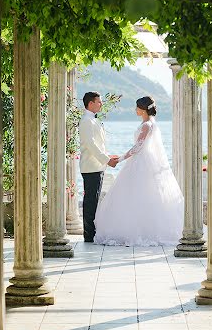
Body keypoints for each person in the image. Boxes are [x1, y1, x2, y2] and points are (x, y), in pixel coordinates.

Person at [94, 96, 184, 246]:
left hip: (141, 161)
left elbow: (138, 147)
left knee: (135, 194)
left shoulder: (147, 125)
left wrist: (121, 158)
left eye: (137, 107)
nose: (135, 110)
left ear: (142, 110)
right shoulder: (150, 124)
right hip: (144, 161)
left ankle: (139, 230)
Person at [79, 91, 119, 242]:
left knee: (94, 200)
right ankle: (89, 235)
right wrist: (106, 160)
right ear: (90, 103)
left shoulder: (93, 120)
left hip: (98, 166)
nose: (101, 104)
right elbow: (91, 145)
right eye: (99, 102)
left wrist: (107, 157)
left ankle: (92, 233)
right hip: (91, 167)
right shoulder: (86, 121)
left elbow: (99, 144)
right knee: (90, 201)